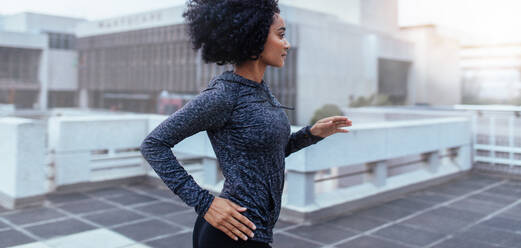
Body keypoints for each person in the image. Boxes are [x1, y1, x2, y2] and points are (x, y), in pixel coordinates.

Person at [139, 0, 353, 247]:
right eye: (280, 35)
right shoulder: (223, 96)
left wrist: (311, 134)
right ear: (256, 37)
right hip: (232, 233)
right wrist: (204, 202)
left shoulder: (261, 90)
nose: (287, 44)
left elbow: (266, 156)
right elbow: (153, 145)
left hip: (253, 231)